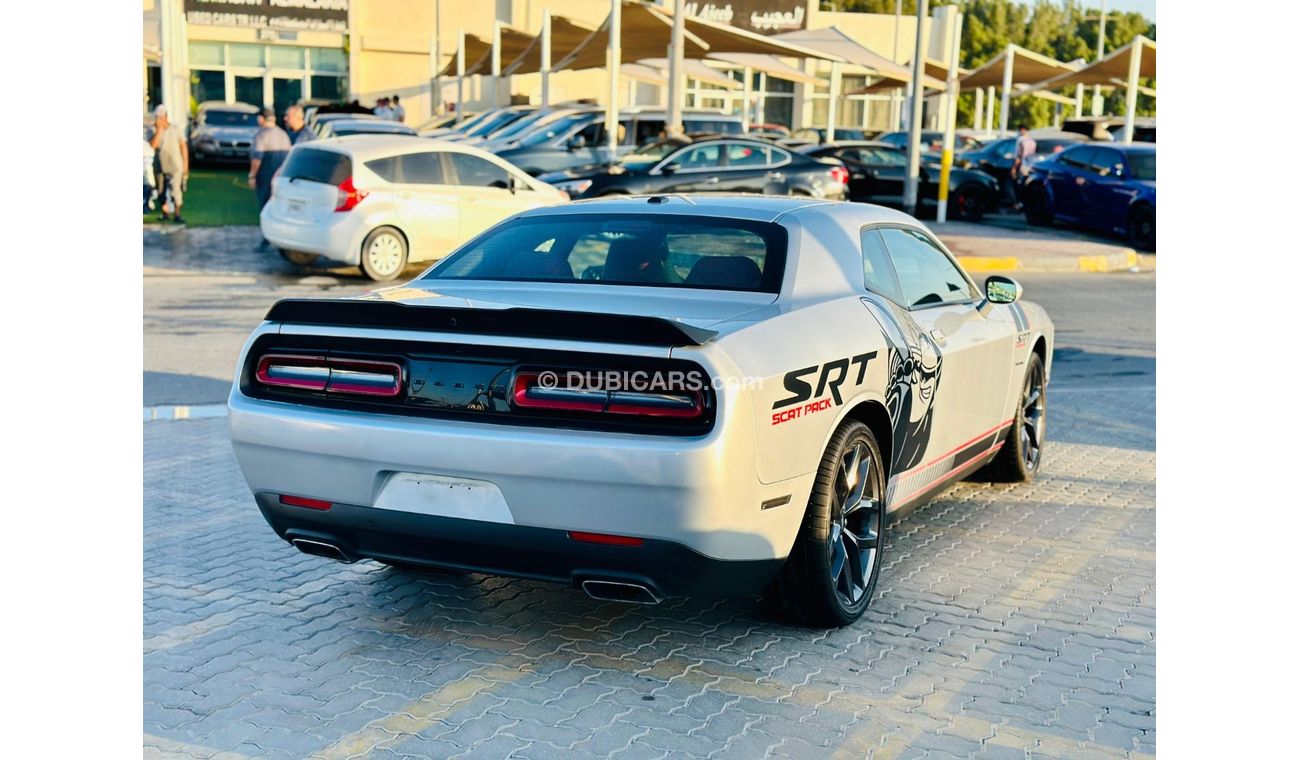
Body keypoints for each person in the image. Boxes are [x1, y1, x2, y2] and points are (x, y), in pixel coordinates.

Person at [248, 108, 292, 246]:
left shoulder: (261, 135)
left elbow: (257, 158)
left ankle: (267, 238)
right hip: (281, 177)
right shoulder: (283, 134)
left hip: (265, 177)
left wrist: (252, 175)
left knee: (265, 207)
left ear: (261, 119)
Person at [148, 104, 189, 223]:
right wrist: (159, 130)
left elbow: (183, 147)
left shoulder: (175, 130)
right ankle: (165, 213)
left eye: (160, 117)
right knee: (161, 191)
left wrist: (185, 165)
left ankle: (177, 214)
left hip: (175, 166)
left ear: (165, 116)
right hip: (160, 166)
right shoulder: (153, 131)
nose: (158, 119)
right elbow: (153, 146)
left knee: (176, 191)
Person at [1010, 124, 1037, 210]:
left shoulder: (1021, 140)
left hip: (1022, 166)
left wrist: (1014, 168)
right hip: (1030, 166)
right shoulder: (1032, 141)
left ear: (1022, 130)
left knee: (1018, 186)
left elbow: (1019, 156)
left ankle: (1019, 204)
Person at [143, 135, 156, 214]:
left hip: (146, 173)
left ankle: (146, 205)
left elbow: (151, 152)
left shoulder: (145, 144)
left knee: (149, 190)